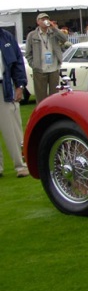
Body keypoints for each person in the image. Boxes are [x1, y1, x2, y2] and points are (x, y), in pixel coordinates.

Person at [0, 26, 29, 178]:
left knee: (13, 129)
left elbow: (18, 62)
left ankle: (21, 165)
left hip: (4, 88)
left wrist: (20, 85)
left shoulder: (7, 37)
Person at [25, 12, 69, 101]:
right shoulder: (32, 35)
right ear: (38, 22)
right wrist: (34, 65)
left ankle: (54, 113)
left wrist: (54, 28)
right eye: (42, 19)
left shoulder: (54, 32)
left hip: (53, 68)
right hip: (40, 69)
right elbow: (28, 53)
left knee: (55, 97)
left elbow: (64, 39)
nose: (45, 21)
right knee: (41, 97)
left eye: (46, 19)